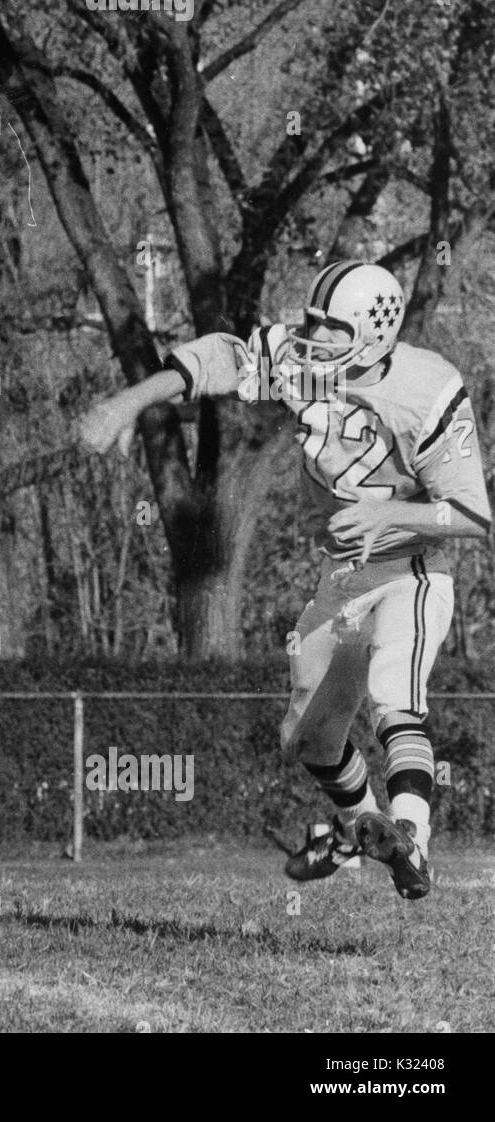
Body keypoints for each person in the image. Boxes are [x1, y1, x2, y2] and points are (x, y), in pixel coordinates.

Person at [80, 261, 490, 901]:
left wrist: (388, 511)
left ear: (374, 331)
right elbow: (219, 359)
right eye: (314, 322)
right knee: (307, 737)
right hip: (344, 577)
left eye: (331, 327)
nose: (314, 337)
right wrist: (127, 402)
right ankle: (361, 830)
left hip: (413, 567)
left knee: (393, 696)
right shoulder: (302, 363)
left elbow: (471, 515)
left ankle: (412, 835)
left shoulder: (429, 388)